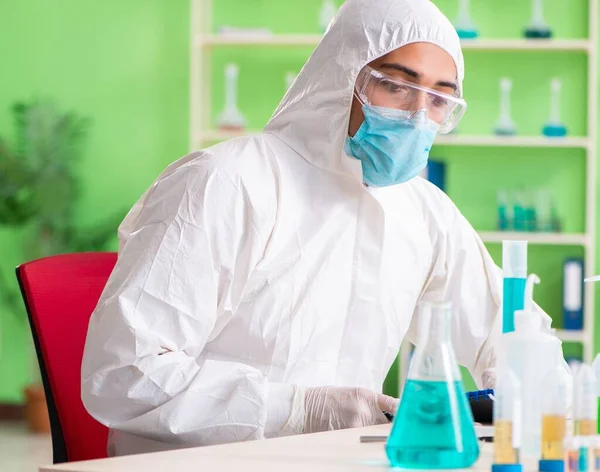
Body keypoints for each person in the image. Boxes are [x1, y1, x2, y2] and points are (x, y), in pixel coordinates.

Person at [81, 0, 569, 457]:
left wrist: (522, 376)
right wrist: (295, 410)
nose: (419, 119)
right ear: (343, 77)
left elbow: (507, 331)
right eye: (397, 87)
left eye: (440, 100)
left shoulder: (422, 211)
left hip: (339, 460)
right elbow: (124, 376)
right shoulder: (227, 182)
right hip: (202, 463)